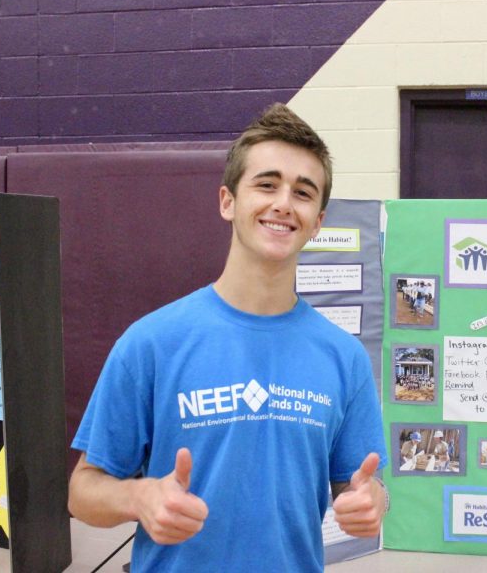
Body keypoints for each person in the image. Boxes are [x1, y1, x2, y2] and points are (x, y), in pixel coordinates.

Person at [68, 104, 389, 573]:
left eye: (303, 192)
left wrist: (372, 499)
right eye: (266, 184)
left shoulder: (343, 357)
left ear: (317, 222)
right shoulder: (152, 342)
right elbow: (82, 493)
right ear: (227, 201)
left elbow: (359, 484)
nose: (283, 202)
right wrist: (139, 496)